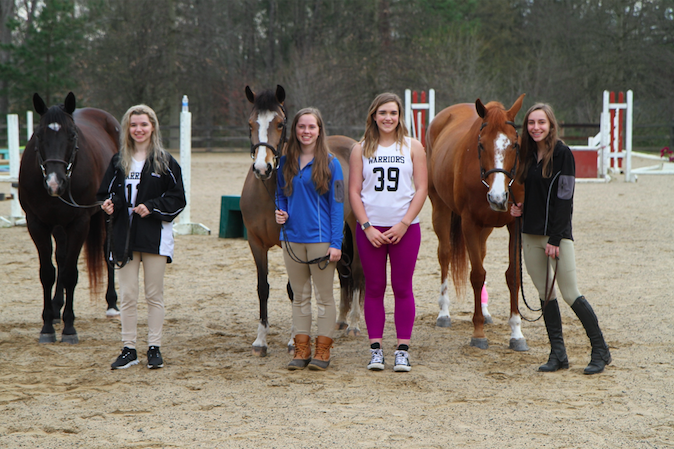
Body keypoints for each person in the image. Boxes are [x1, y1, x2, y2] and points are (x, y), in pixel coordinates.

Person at [510, 103, 611, 375]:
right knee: (545, 295)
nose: (536, 127)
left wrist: (555, 238)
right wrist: (520, 209)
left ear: (551, 124)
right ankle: (558, 354)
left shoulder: (564, 154)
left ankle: (600, 350)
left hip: (557, 237)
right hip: (530, 235)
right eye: (531, 123)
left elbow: (565, 198)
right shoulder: (527, 155)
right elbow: (532, 192)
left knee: (571, 294)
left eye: (541, 122)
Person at [97, 104, 186, 370]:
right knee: (127, 294)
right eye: (134, 125)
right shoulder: (117, 161)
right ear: (128, 128)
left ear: (153, 127)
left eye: (143, 124)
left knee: (153, 294)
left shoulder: (166, 162)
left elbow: (178, 199)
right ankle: (129, 349)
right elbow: (104, 193)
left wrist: (152, 206)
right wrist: (108, 204)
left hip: (155, 237)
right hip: (124, 236)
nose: (139, 129)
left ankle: (154, 347)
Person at [348, 93, 427, 372]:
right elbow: (354, 192)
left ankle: (402, 350)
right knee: (374, 288)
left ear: (399, 116)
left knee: (402, 288)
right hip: (371, 231)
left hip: (405, 229)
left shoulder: (413, 147)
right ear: (373, 115)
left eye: (393, 113)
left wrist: (404, 223)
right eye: (382, 112)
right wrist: (367, 226)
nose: (388, 118)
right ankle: (376, 349)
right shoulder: (361, 149)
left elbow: (421, 189)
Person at [275, 107, 344, 371]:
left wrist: (336, 243)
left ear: (319, 130)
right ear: (295, 130)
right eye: (301, 127)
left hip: (321, 242)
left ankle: (323, 351)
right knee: (300, 297)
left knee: (324, 298)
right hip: (292, 240)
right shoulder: (284, 162)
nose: (306, 131)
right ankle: (301, 350)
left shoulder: (331, 163)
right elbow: (281, 194)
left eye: (311, 127)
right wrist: (280, 212)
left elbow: (337, 205)